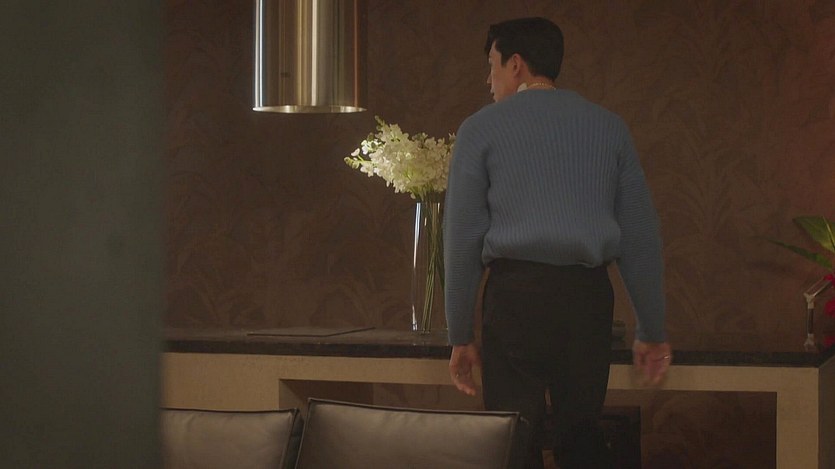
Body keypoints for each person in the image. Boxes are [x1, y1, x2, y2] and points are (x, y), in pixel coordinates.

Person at [443, 17, 671, 469]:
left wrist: (460, 334)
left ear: (516, 65)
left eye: (492, 67)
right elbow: (639, 235)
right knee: (581, 438)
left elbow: (462, 238)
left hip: (514, 298)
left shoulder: (480, 129)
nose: (489, 81)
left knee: (514, 439)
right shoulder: (609, 127)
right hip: (586, 299)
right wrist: (651, 329)